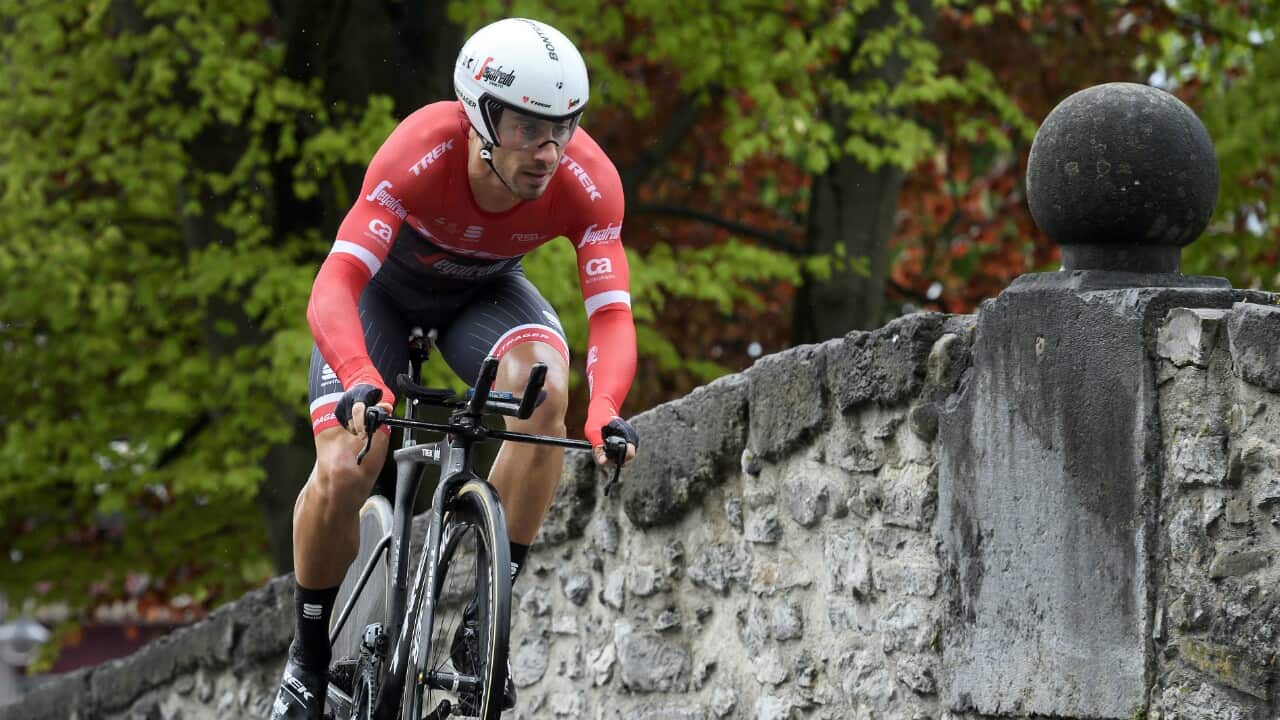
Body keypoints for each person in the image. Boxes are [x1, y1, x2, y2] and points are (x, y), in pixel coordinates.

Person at [269, 17, 639, 720]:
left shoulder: (589, 181)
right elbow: (336, 284)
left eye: (563, 126)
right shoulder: (419, 150)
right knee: (350, 461)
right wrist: (358, 373)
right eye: (527, 128)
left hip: (482, 298)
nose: (548, 150)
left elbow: (612, 316)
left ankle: (479, 630)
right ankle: (308, 662)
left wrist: (606, 407)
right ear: (478, 115)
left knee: (544, 396)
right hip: (381, 296)